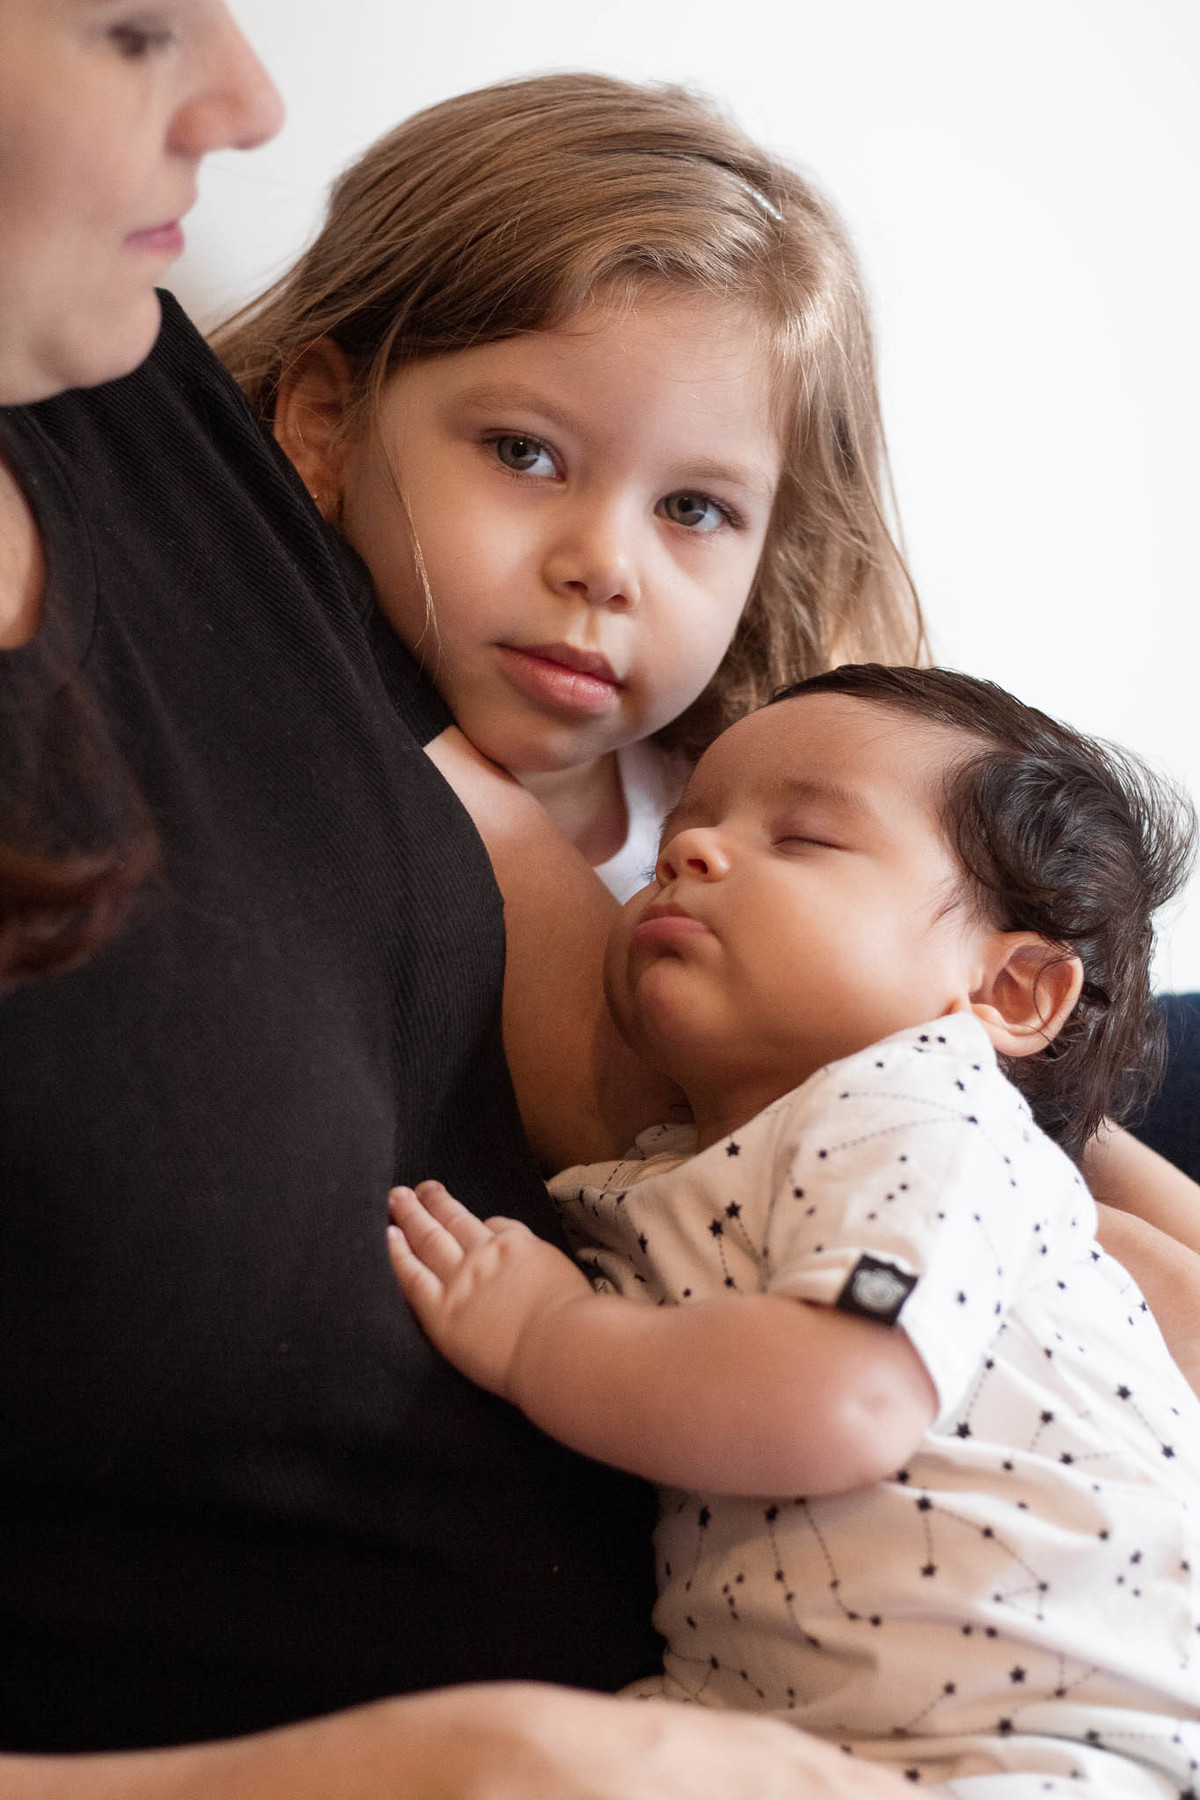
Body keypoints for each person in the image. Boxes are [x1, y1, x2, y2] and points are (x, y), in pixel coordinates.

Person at [0, 5, 918, 1796]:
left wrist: (1091, 1200)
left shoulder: (137, 399)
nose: (253, 103)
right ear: (337, 421)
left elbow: (699, 1075)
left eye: (700, 511)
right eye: (126, 25)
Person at [390, 665, 1200, 1796]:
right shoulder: (689, 1164)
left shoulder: (921, 1113)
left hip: (1045, 1753)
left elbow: (847, 1393)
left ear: (1008, 994)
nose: (693, 852)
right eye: (688, 826)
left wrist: (545, 1337)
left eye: (806, 839)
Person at [212, 72, 924, 899]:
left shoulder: (754, 883)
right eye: (524, 454)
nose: (606, 568)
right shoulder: (222, 736)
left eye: (692, 508)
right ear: (329, 424)